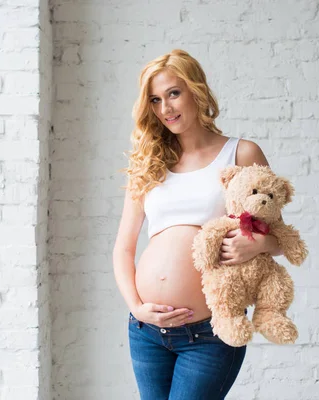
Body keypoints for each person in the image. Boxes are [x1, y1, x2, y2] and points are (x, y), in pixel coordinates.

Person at [112, 49, 285, 400]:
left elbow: (280, 236)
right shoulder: (148, 163)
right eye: (155, 100)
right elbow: (123, 247)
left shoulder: (241, 153)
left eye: (174, 94)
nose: (166, 109)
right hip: (147, 331)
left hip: (210, 333)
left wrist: (258, 244)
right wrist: (136, 307)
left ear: (197, 91)